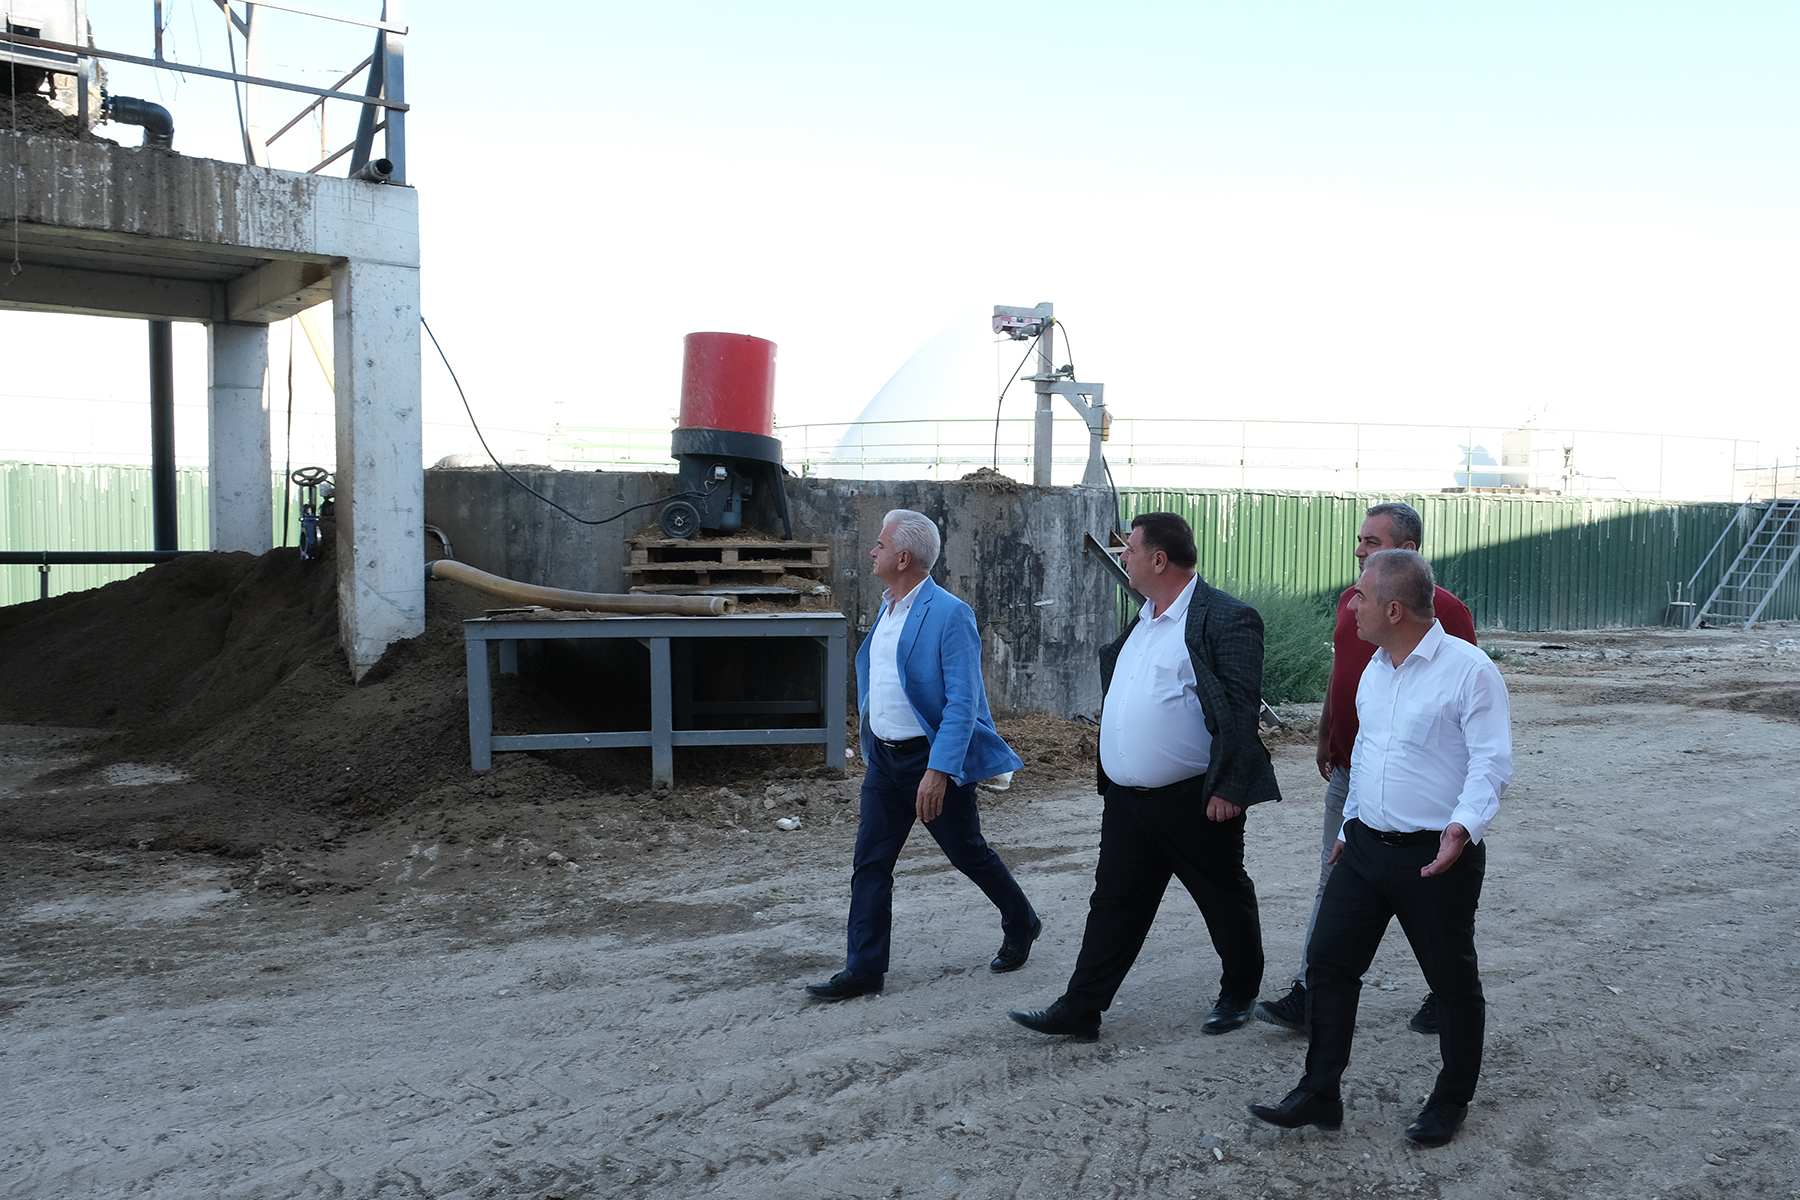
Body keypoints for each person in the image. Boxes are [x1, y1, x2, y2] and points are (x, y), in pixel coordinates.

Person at [1248, 549, 1512, 1147]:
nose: (1351, 607)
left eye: (1360, 598)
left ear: (1394, 610)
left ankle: (1450, 1101)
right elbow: (1368, 753)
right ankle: (1320, 1093)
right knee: (1328, 965)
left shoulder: (1469, 671)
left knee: (1451, 984)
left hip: (1435, 857)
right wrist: (1349, 826)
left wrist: (1462, 828)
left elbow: (1491, 763)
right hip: (1365, 849)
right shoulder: (1375, 667)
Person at [1008, 512, 1280, 1042]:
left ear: (1159, 559)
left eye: (1130, 550)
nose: (1124, 558)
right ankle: (1081, 1008)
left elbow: (1241, 711)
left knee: (1223, 898)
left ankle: (1239, 992)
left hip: (1196, 800)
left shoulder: (1226, 617)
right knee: (1113, 903)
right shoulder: (1143, 620)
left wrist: (1230, 785)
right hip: (1128, 801)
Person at [1254, 501, 1478, 1038]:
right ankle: (1311, 991)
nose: (1359, 550)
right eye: (1360, 540)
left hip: (1421, 788)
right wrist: (1327, 732)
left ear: (1409, 550)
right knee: (1334, 880)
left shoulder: (1449, 612)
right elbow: (1343, 672)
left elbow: (1463, 705)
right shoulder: (1353, 600)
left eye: (1372, 542)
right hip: (1353, 774)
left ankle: (1446, 990)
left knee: (1438, 896)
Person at [805, 510, 1039, 1001]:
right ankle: (864, 968)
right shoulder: (888, 609)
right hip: (884, 762)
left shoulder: (951, 614)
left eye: (880, 544)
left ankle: (1022, 920)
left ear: (903, 558)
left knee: (967, 853)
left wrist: (939, 770)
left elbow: (962, 702)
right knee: (870, 862)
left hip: (929, 762)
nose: (873, 551)